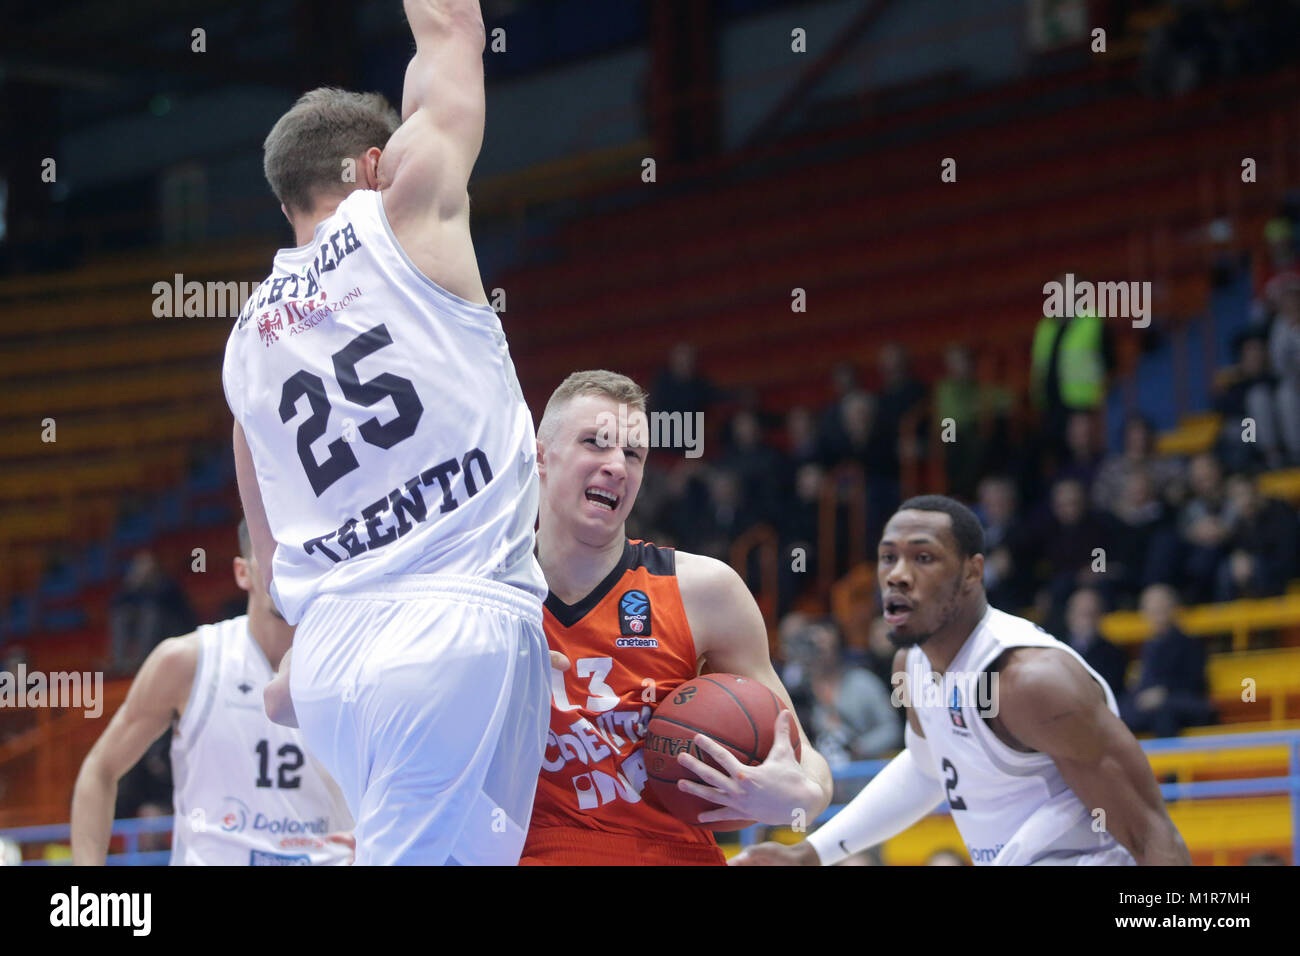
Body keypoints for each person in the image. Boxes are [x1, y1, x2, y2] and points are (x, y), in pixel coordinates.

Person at [223, 0, 549, 864]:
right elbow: (451, 30)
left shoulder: (243, 347)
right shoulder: (400, 212)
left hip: (330, 658)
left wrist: (294, 657)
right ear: (376, 161)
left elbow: (264, 536)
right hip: (451, 622)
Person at [733, 495, 1189, 866]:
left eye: (923, 557)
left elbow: (1153, 836)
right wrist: (811, 853)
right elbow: (925, 771)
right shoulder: (909, 667)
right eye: (888, 558)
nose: (898, 575)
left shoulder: (1031, 681)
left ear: (973, 571)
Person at [520, 370, 832, 864]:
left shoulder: (706, 590)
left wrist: (800, 796)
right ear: (540, 454)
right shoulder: (483, 590)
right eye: (596, 444)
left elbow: (802, 757)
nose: (617, 466)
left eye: (632, 454)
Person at [71, 522, 352, 866]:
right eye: (271, 556)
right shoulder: (187, 662)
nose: (284, 569)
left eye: (297, 556)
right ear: (242, 572)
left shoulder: (353, 665)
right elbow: (99, 768)